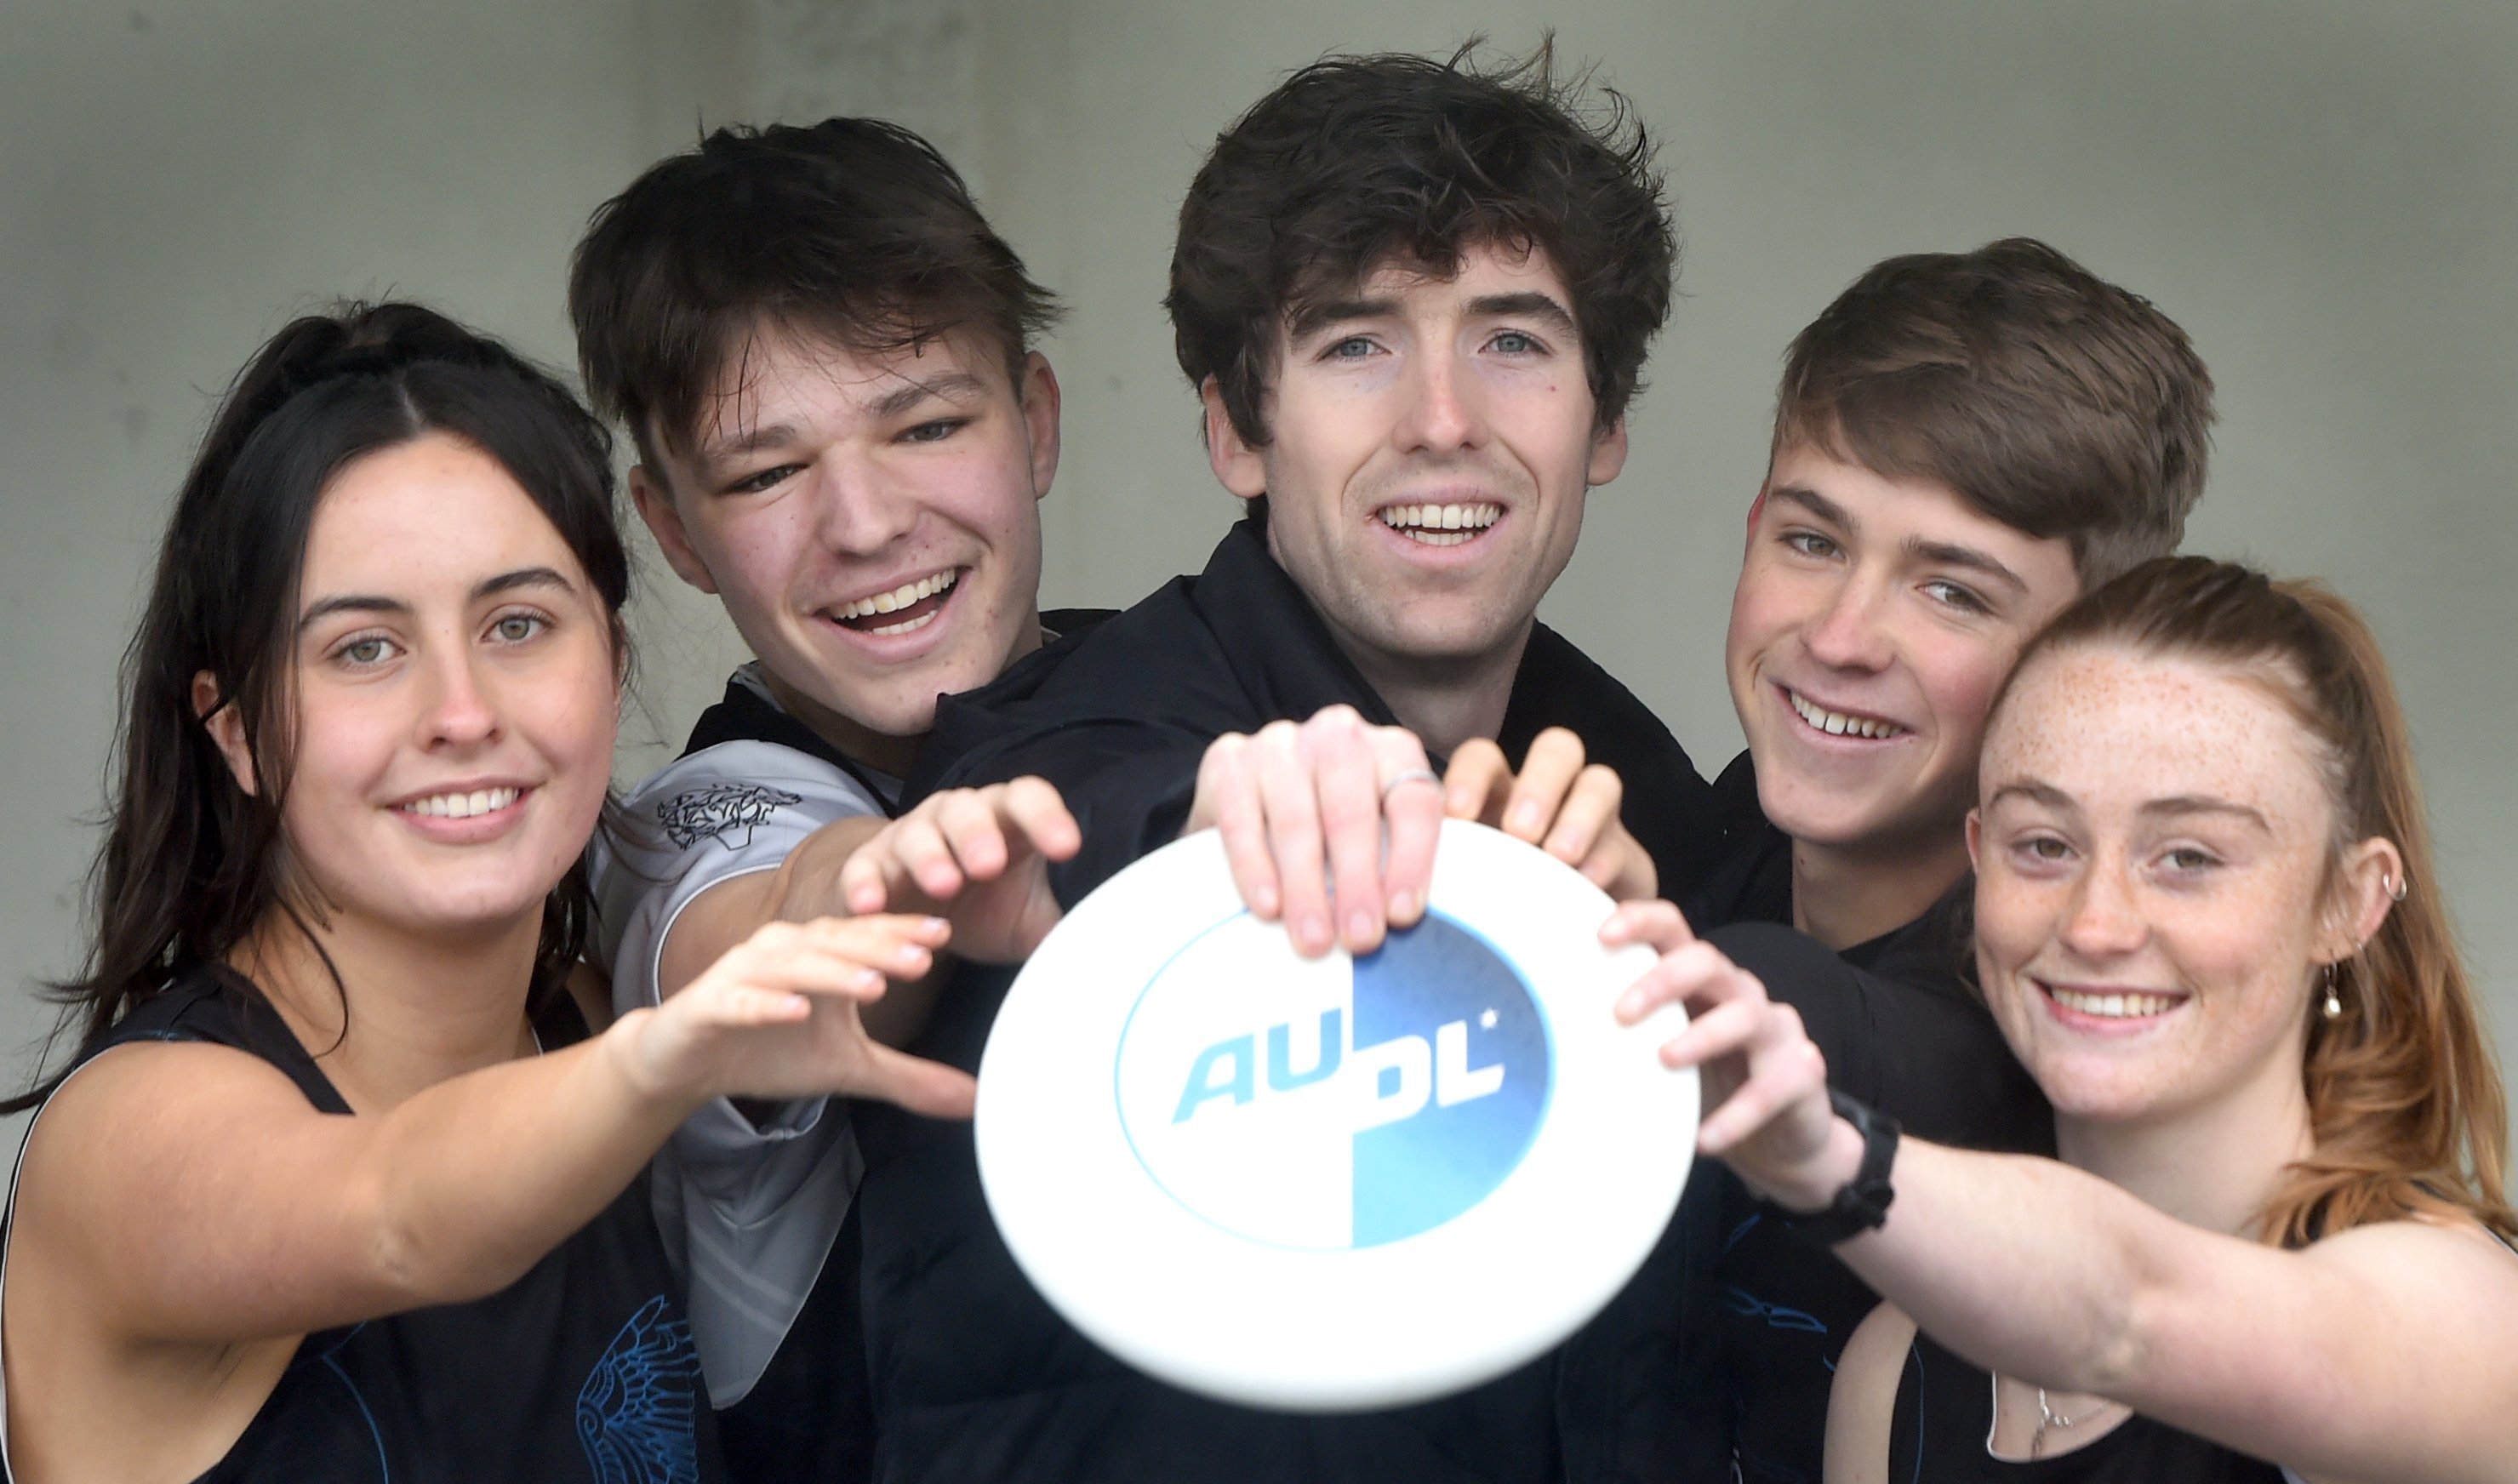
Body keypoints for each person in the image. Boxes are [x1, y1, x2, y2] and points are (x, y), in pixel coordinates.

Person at [814, 41, 1735, 1484]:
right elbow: (1061, 816)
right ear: (1235, 431)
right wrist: (1221, 831)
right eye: (1353, 343)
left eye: (1511, 339)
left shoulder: (1641, 792)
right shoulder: (1081, 727)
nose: (1441, 417)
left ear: (1601, 421)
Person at [0, 305, 968, 1483]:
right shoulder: (137, 1134)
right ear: (240, 730)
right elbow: (397, 1213)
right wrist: (662, 1059)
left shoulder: (587, 1011)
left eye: (517, 624)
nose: (463, 713)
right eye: (364, 648)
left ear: (609, 672)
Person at [1622, 556, 2518, 1482]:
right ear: (1979, 866)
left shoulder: (2461, 1313)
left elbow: (2132, 1314)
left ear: (2350, 901)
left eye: (2188, 857)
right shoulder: (1890, 1378)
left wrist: (1830, 1156)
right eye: (2043, 845)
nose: (2094, 924)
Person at [565, 117, 1090, 1475]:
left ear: (1033, 421)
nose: (863, 524)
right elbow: (786, 930)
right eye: (766, 472)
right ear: (672, 530)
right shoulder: (694, 826)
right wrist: (897, 887)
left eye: (923, 424)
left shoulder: (1171, 688)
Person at [1692, 238, 2218, 1482]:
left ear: (2079, 663)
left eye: (1951, 594)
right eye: (1812, 543)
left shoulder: (2095, 1017)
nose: (1837, 636)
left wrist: (1606, 950)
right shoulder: (1684, 838)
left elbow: (1885, 1040)